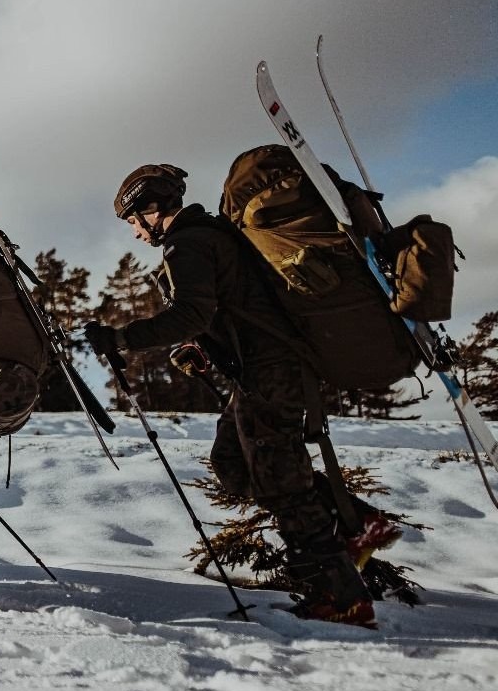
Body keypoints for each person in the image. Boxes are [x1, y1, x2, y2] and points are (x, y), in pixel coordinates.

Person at [83, 163, 380, 627]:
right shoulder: (209, 236)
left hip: (271, 370)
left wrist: (120, 338)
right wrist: (201, 348)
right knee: (231, 463)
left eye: (132, 220)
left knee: (278, 477)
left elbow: (189, 314)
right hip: (264, 369)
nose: (134, 232)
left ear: (151, 208)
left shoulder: (189, 242)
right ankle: (357, 521)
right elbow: (231, 308)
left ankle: (341, 596)